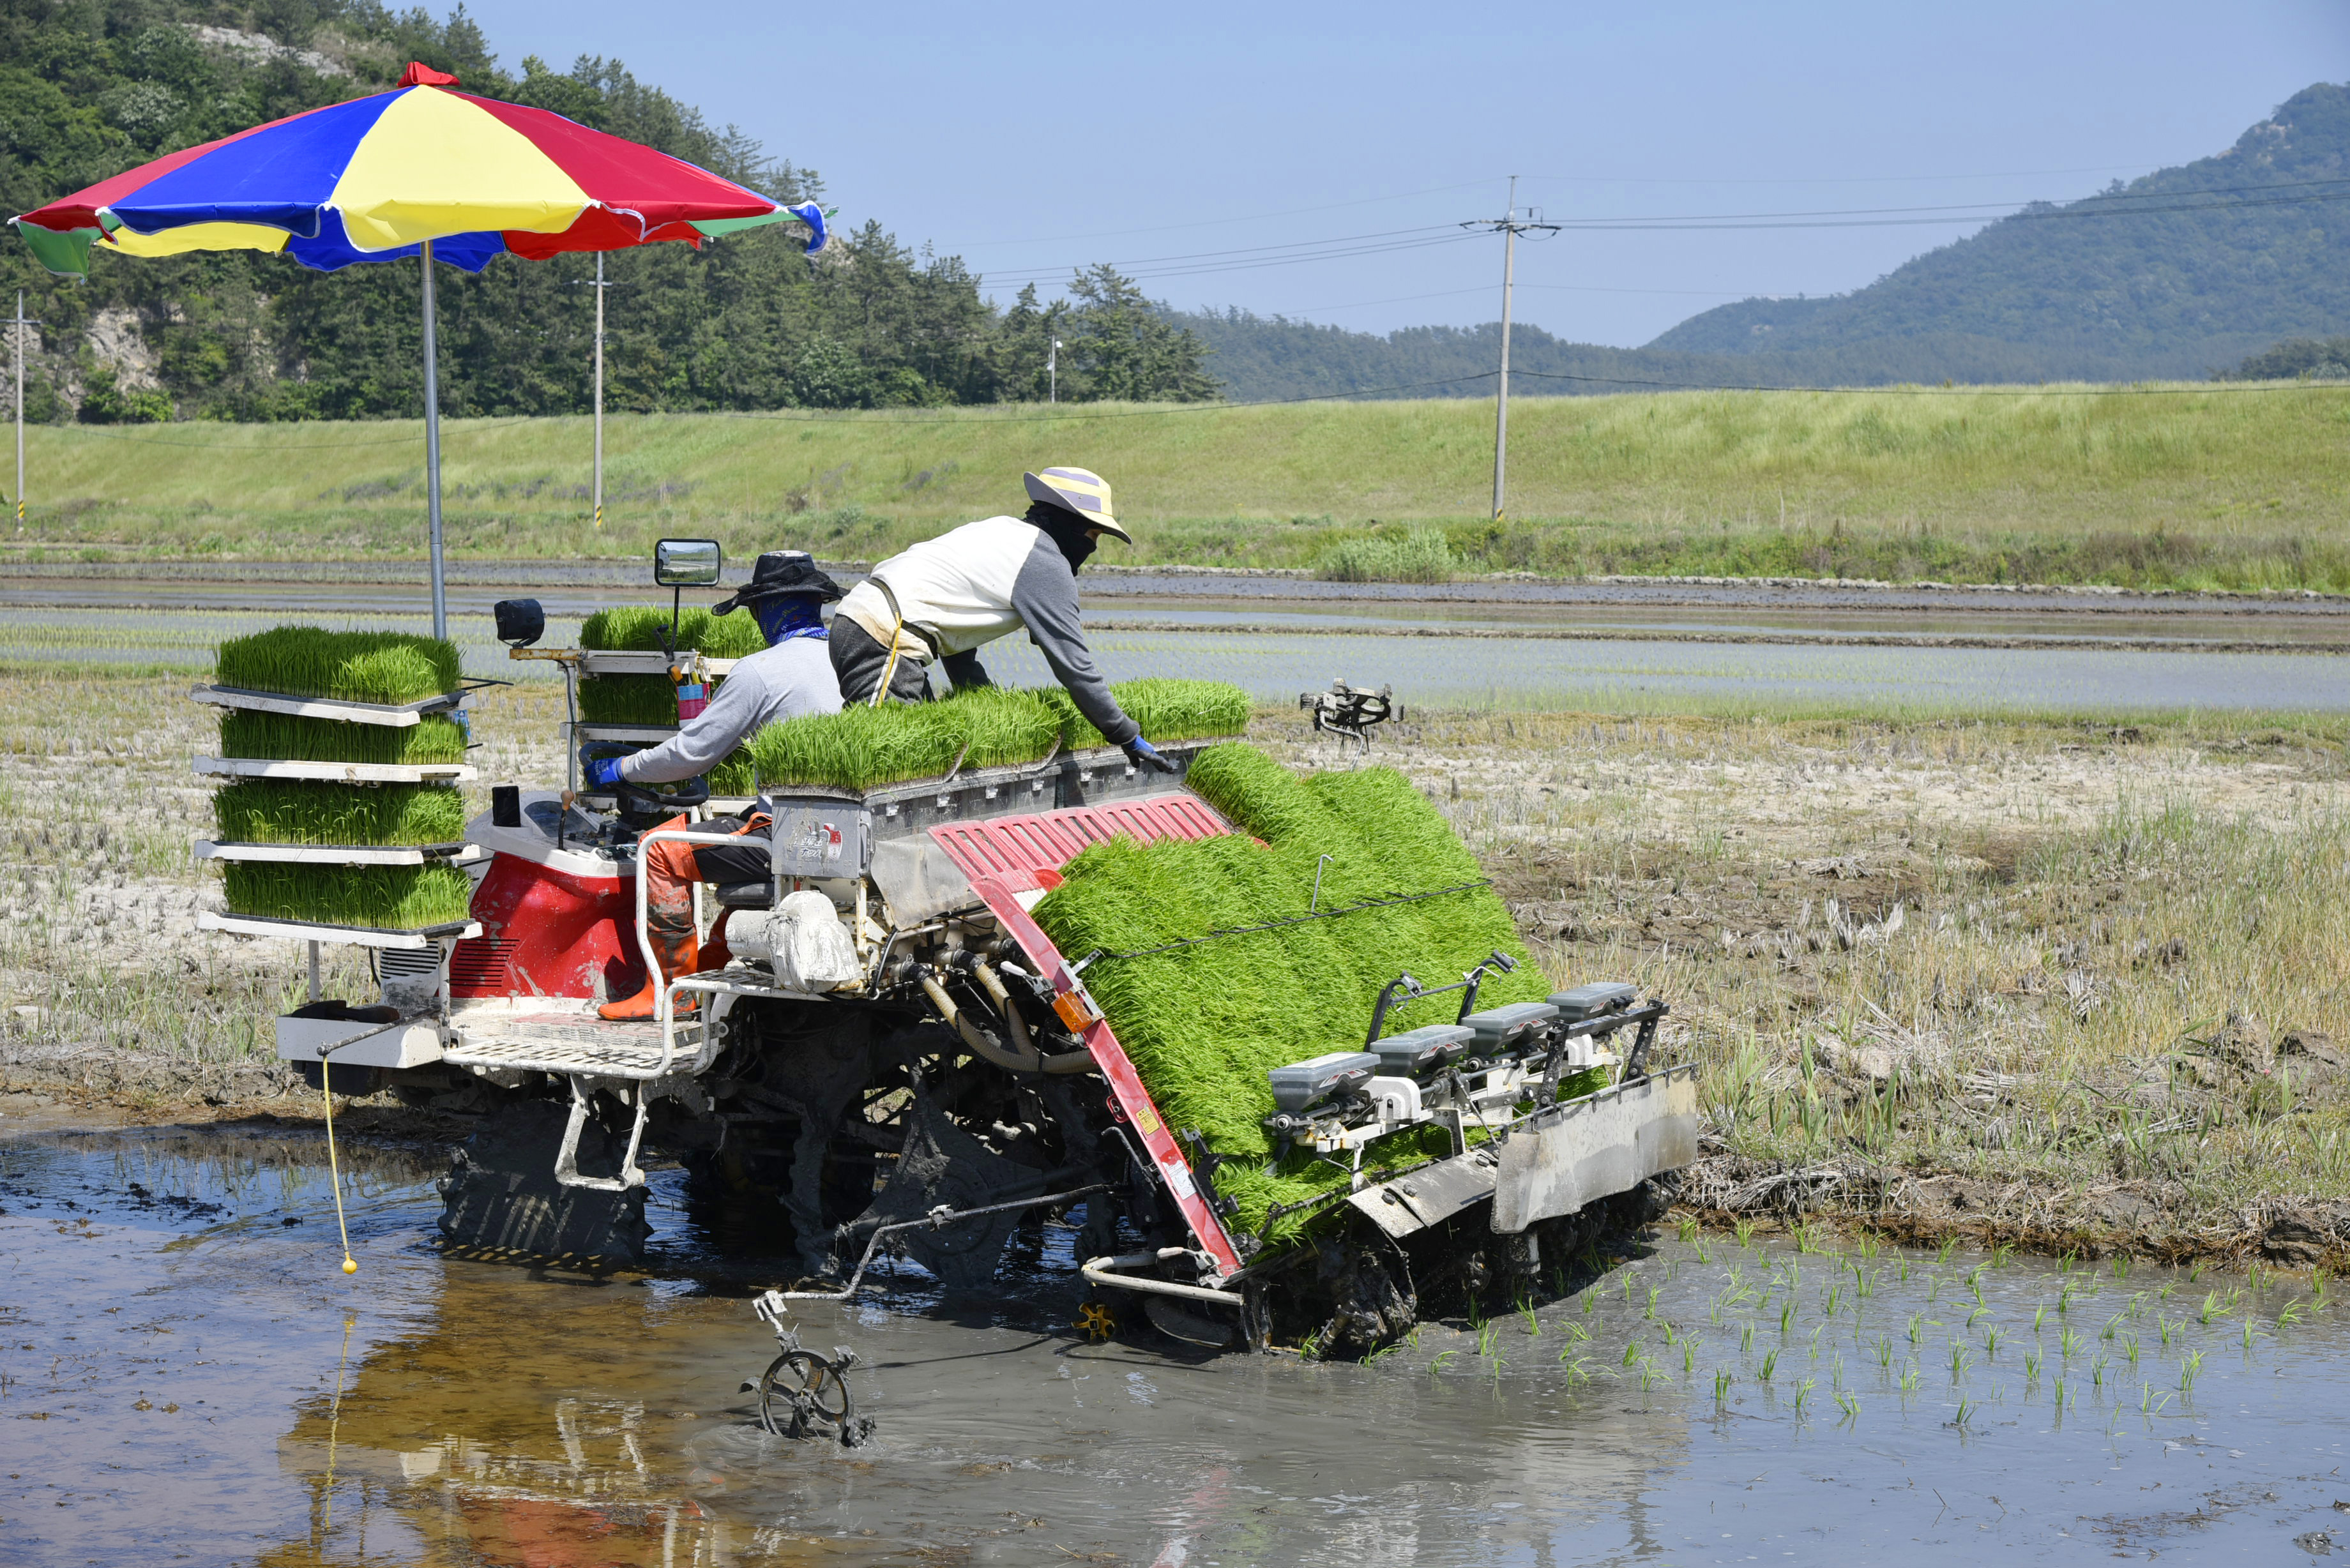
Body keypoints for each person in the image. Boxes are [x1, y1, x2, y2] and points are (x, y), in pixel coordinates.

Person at [583, 550, 845, 1020]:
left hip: (788, 837)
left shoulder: (762, 670)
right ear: (816, 605)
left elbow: (691, 755)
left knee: (660, 847)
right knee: (738, 827)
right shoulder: (854, 661)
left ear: (766, 610)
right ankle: (707, 974)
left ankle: (668, 991)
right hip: (844, 837)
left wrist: (620, 769)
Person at [829, 466, 1176, 773]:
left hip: (871, 623)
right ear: (1070, 524)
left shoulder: (1003, 532)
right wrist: (1125, 734)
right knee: (881, 758)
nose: (1093, 547)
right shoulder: (1044, 563)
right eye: (1093, 535)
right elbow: (1074, 666)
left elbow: (954, 635)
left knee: (919, 751)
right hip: (884, 635)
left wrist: (984, 699)